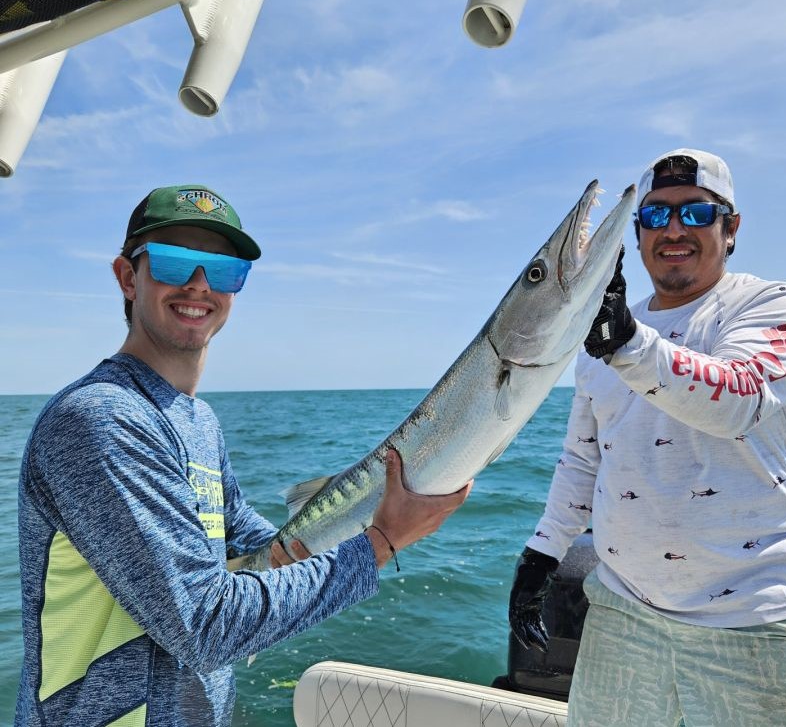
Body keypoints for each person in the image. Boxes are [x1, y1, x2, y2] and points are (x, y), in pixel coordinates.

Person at [15, 185, 471, 726]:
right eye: (174, 261)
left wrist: (382, 506)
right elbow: (204, 627)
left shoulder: (197, 420)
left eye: (224, 271)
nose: (199, 285)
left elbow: (261, 547)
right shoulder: (101, 419)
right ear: (126, 277)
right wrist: (381, 541)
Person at [509, 149, 786, 726]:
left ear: (732, 228)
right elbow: (583, 458)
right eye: (655, 215)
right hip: (623, 612)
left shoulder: (771, 306)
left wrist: (627, 342)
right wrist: (542, 553)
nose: (674, 229)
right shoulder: (604, 333)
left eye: (696, 213)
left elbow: (739, 397)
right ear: (638, 232)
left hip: (752, 621)